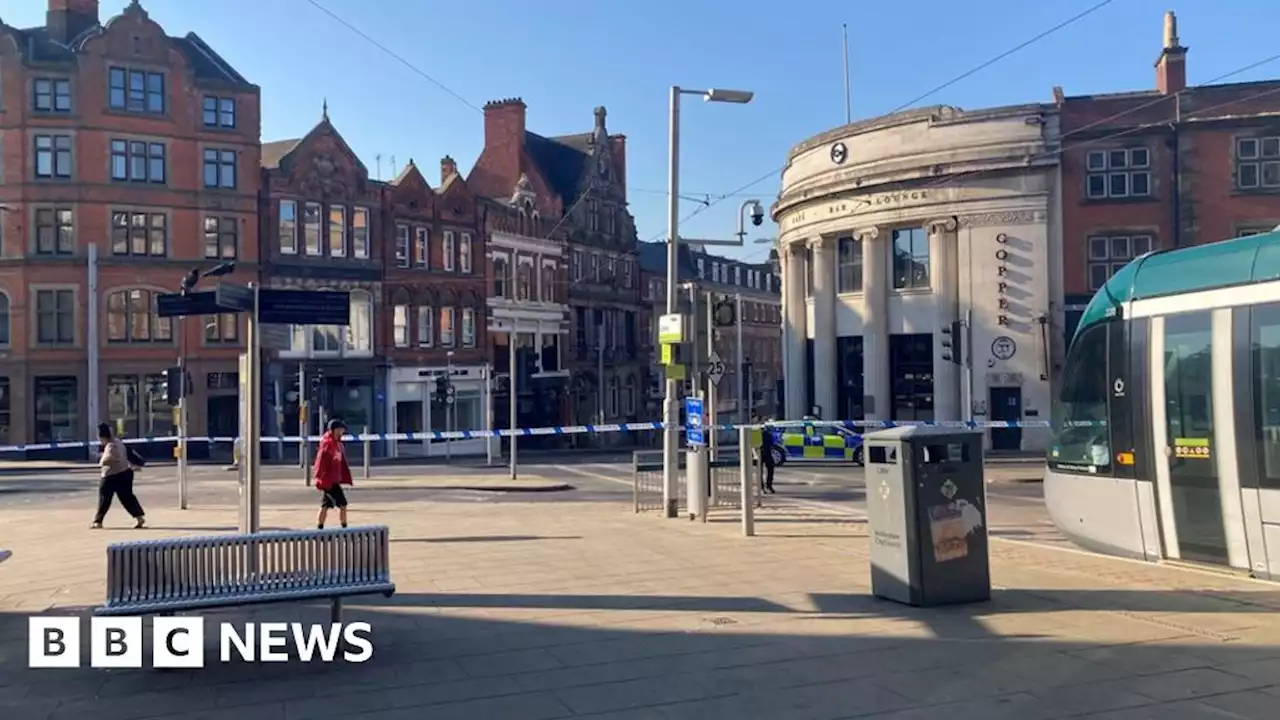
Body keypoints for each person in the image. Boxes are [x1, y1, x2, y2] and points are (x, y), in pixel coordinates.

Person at [91, 423, 146, 529]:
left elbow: (105, 460)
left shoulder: (111, 445)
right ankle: (139, 517)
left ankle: (98, 521)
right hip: (125, 472)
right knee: (128, 498)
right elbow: (128, 454)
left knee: (104, 498)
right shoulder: (117, 441)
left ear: (102, 437)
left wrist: (101, 459)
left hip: (112, 475)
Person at [313, 418, 354, 529]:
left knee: (325, 505)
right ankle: (344, 528)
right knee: (343, 504)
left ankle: (319, 528)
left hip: (334, 479)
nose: (343, 432)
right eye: (341, 430)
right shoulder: (327, 444)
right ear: (335, 430)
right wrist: (318, 477)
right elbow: (320, 461)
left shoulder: (338, 444)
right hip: (328, 481)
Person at [759, 418, 778, 494]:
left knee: (770, 468)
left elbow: (771, 444)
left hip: (767, 451)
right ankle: (761, 487)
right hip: (758, 452)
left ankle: (768, 485)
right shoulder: (756, 430)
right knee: (759, 471)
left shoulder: (767, 433)